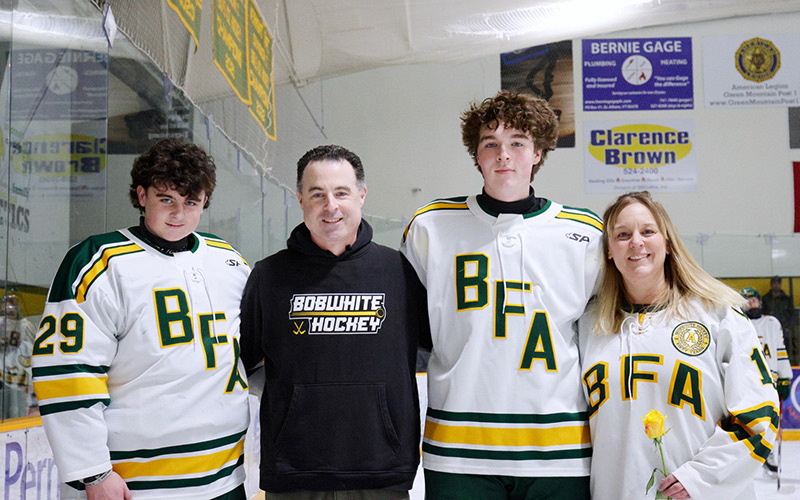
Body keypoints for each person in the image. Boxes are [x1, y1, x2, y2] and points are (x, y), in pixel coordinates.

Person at [401, 90, 602, 499]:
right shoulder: (430, 226)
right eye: (490, 144)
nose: (503, 155)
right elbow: (414, 332)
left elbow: (602, 332)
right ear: (476, 156)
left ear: (538, 153)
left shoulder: (584, 233)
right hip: (458, 448)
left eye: (517, 143)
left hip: (558, 448)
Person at [31, 138, 251, 500]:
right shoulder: (99, 262)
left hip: (226, 476)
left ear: (204, 202)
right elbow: (66, 370)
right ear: (141, 195)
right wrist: (93, 471)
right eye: (166, 199)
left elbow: (253, 353)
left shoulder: (228, 259)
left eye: (191, 202)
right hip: (135, 484)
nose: (179, 214)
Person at [239, 144, 428, 499]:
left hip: (381, 472)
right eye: (317, 194)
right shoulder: (269, 276)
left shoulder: (400, 272)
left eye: (341, 192)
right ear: (299, 199)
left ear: (361, 195)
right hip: (295, 473)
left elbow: (431, 350)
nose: (331, 206)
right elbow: (246, 364)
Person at [578, 191, 779, 500]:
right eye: (622, 234)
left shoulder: (718, 314)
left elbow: (759, 417)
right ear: (608, 250)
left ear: (668, 243)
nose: (636, 242)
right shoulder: (587, 326)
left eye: (647, 231)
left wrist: (700, 478)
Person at [741, 286, 792, 475]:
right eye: (747, 301)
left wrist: (785, 378)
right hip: (745, 380)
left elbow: (780, 350)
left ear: (760, 302)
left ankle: (768, 453)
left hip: (769, 380)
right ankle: (748, 457)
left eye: (754, 300)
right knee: (747, 421)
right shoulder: (739, 323)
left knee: (769, 421)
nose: (751, 303)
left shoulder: (772, 322)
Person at [0, 294, 36, 418]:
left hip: (24, 394)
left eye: (10, 314)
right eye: (3, 313)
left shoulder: (25, 330)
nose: (6, 318)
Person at [762, 275, 798, 364]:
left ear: (781, 284)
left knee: (785, 351)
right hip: (769, 331)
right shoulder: (765, 299)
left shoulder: (787, 300)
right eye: (774, 283)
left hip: (785, 331)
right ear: (771, 284)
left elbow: (793, 315)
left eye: (778, 283)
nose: (776, 285)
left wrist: (789, 328)